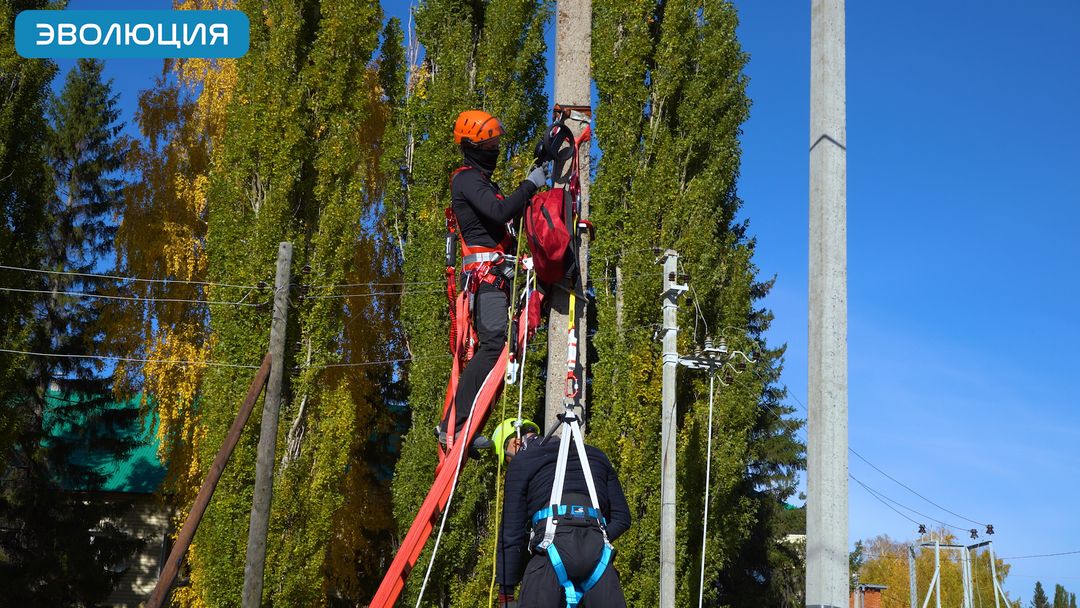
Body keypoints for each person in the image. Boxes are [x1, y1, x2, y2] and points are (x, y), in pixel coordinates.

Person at [440, 111, 548, 452]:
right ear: (474, 146)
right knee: (493, 348)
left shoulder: (484, 182)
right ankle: (451, 426)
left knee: (501, 357)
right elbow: (501, 214)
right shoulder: (466, 180)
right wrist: (530, 184)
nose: (496, 148)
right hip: (485, 280)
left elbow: (505, 219)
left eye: (497, 141)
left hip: (497, 278)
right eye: (490, 143)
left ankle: (466, 428)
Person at [493, 418, 631, 607]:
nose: (510, 463)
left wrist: (506, 592)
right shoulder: (596, 456)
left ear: (516, 443)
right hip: (597, 555)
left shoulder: (522, 461)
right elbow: (622, 518)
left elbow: (511, 532)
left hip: (550, 553)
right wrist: (592, 538)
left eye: (507, 458)